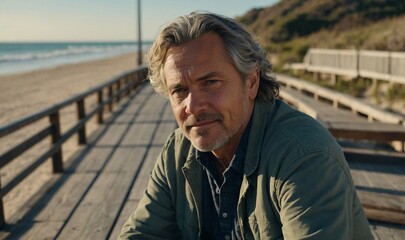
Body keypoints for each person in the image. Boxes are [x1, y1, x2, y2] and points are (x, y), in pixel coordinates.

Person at [119, 12, 373, 239]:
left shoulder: (305, 156)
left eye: (210, 83)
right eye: (180, 90)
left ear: (251, 83)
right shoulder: (178, 150)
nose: (193, 106)